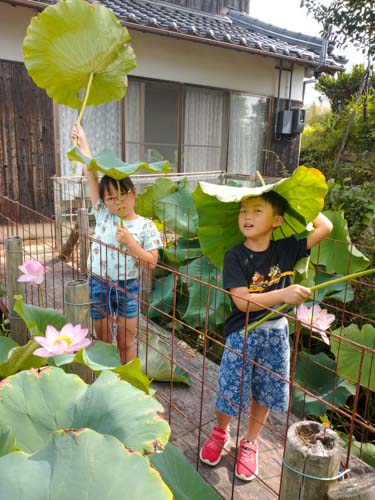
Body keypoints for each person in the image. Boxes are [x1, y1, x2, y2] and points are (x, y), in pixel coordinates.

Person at [199, 190, 333, 481]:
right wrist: (282, 293)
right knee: (230, 389)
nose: (247, 217)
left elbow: (325, 227)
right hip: (243, 333)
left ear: (277, 220)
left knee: (266, 390)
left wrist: (299, 201)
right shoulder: (235, 255)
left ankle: (250, 441)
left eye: (257, 211)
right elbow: (242, 302)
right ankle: (220, 432)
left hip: (276, 335)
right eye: (243, 211)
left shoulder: (286, 250)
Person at [71, 123, 162, 364]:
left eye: (123, 195)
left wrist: (130, 243)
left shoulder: (146, 226)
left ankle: (127, 383)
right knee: (103, 342)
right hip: (98, 282)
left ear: (134, 193)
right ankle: (106, 381)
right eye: (111, 198)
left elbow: (151, 263)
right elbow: (91, 174)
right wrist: (83, 143)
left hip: (127, 287)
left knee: (125, 342)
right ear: (103, 201)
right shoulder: (102, 214)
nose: (118, 202)